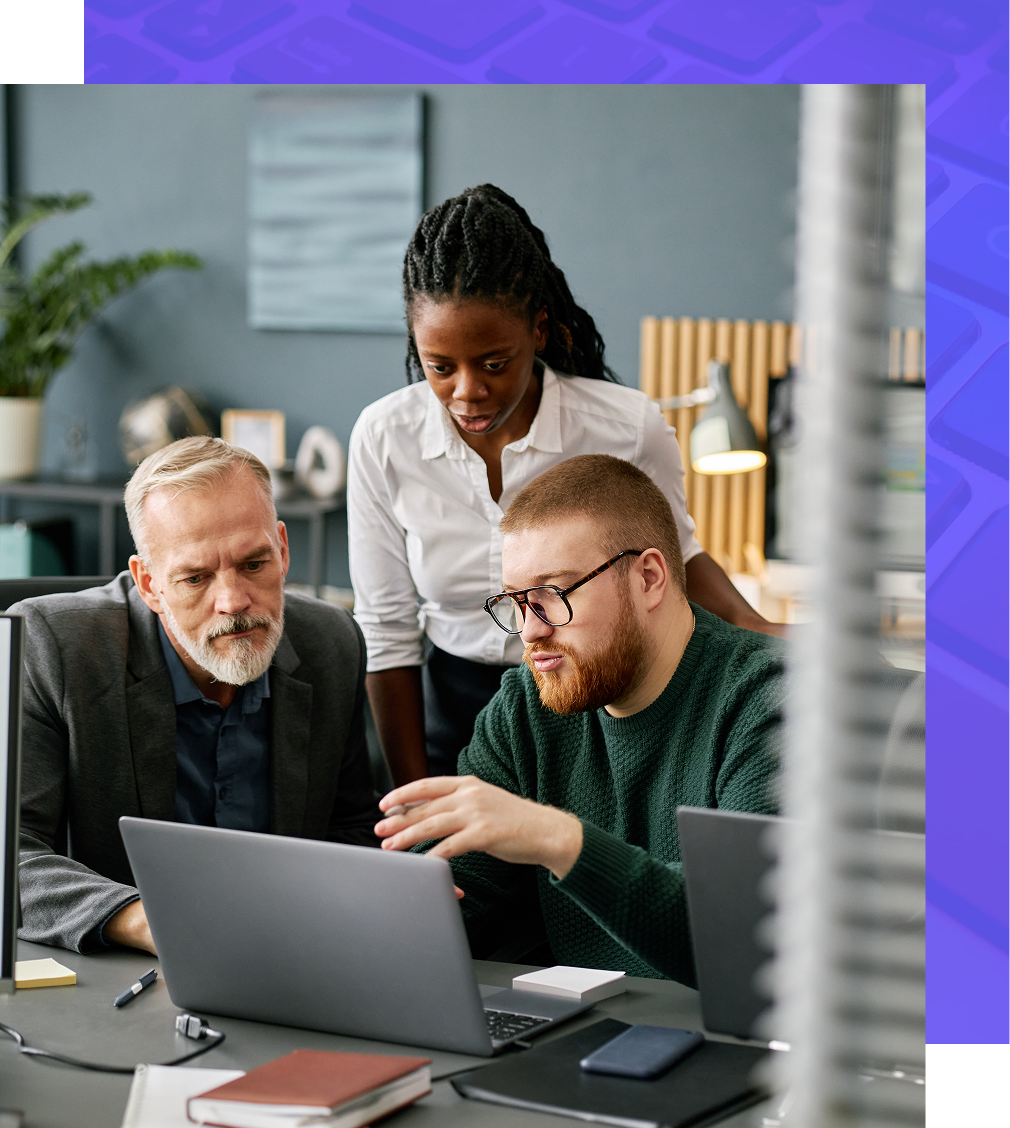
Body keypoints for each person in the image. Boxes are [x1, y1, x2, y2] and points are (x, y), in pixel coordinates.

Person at [349, 184, 782, 788]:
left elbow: (676, 565)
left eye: (494, 364)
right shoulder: (383, 438)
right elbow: (388, 630)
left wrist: (769, 635)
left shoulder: (624, 428)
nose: (467, 392)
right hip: (448, 707)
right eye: (440, 367)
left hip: (589, 707)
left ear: (540, 331)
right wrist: (413, 797)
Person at [374, 455, 783, 986]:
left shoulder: (771, 700)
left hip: (718, 1029)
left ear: (649, 578)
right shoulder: (525, 707)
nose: (530, 631)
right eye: (517, 601)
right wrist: (399, 908)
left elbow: (744, 936)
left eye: (553, 594)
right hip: (580, 1022)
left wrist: (560, 840)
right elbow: (456, 897)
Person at [13, 437, 380, 956]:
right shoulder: (54, 645)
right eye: (195, 577)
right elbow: (11, 855)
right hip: (122, 968)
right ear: (149, 583)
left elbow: (351, 829)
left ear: (282, 549)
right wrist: (152, 922)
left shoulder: (332, 643)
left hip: (289, 951)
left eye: (254, 564)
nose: (232, 601)